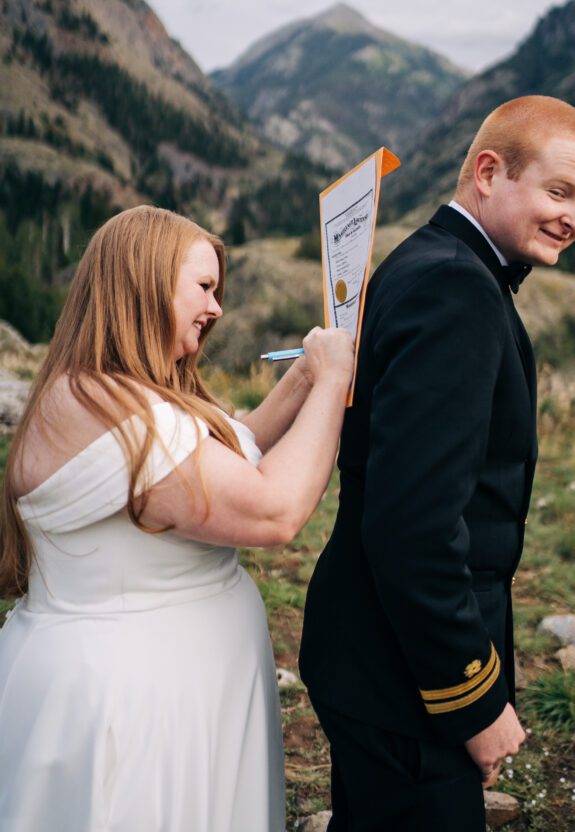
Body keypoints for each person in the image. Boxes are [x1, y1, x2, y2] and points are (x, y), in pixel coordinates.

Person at [300, 95, 575, 831]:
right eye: (559, 191)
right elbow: (413, 526)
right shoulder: (456, 287)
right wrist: (471, 700)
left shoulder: (431, 260)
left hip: (376, 649)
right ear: (488, 172)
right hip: (401, 672)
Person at [0, 204, 354, 832]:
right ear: (142, 282)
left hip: (184, 694)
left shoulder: (114, 390)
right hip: (135, 710)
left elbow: (229, 452)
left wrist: (301, 379)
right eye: (204, 287)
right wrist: (333, 378)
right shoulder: (100, 404)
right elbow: (273, 510)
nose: (216, 309)